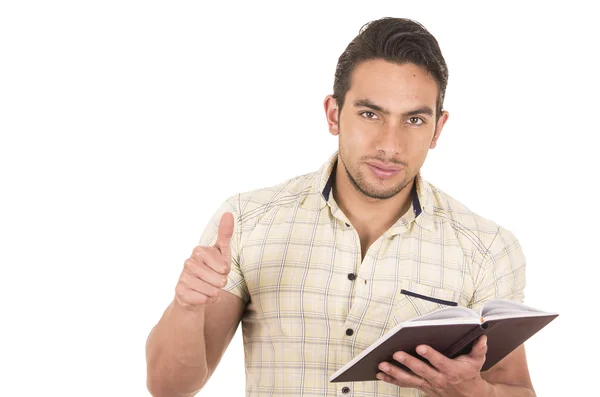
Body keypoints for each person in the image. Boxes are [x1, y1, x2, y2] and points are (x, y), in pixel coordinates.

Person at [145, 17, 536, 397]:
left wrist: (469, 390)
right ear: (334, 114)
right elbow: (169, 389)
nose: (390, 144)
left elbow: (517, 390)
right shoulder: (248, 221)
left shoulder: (487, 248)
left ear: (437, 129)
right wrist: (187, 307)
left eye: (414, 120)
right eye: (370, 114)